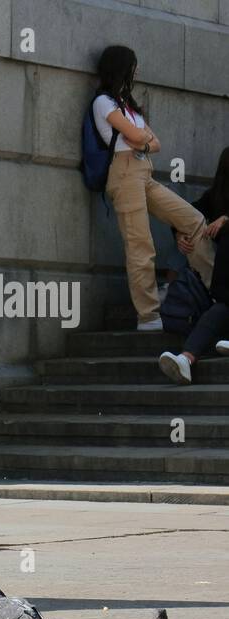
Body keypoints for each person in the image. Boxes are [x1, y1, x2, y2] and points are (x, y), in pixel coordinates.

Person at [94, 46, 215, 331]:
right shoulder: (103, 102)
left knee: (194, 221)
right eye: (134, 65)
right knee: (140, 246)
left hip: (143, 171)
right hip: (124, 173)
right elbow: (138, 135)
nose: (137, 70)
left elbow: (154, 143)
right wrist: (142, 139)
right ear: (123, 67)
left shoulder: (128, 104)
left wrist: (142, 141)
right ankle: (148, 317)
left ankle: (218, 292)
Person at [157, 147, 229, 383]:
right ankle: (185, 361)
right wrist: (179, 234)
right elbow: (191, 214)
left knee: (221, 309)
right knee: (192, 223)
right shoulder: (215, 196)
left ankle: (187, 357)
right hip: (220, 280)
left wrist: (227, 219)